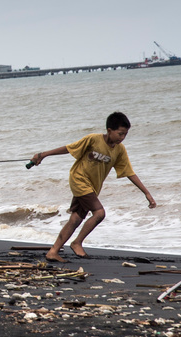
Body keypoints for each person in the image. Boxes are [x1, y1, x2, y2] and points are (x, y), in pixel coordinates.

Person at [29, 111, 158, 262]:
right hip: (79, 180)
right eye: (120, 134)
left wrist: (146, 193)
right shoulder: (93, 140)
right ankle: (77, 243)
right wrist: (43, 154)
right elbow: (69, 148)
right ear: (109, 130)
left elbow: (129, 172)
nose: (122, 138)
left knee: (76, 219)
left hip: (92, 187)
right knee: (99, 213)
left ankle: (53, 251)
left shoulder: (119, 150)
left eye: (125, 135)